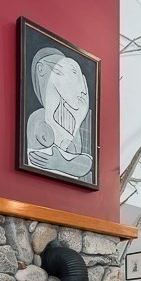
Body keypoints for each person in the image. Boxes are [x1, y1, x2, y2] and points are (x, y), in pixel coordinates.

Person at [26, 47, 93, 182]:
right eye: (58, 71)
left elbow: (87, 163)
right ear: (41, 70)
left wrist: (62, 164)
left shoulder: (75, 121)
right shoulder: (38, 118)